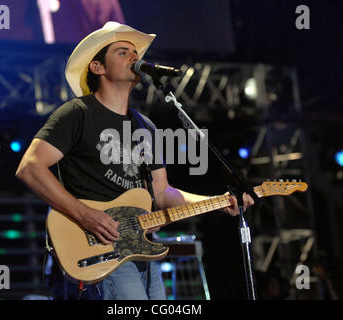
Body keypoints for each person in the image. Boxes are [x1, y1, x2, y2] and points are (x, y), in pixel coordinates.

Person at [16, 21, 254, 300]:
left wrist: (218, 202)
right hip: (99, 247)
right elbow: (30, 168)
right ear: (98, 68)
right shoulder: (77, 113)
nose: (134, 57)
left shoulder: (145, 126)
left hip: (141, 250)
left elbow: (163, 193)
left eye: (135, 52)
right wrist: (86, 215)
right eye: (122, 52)